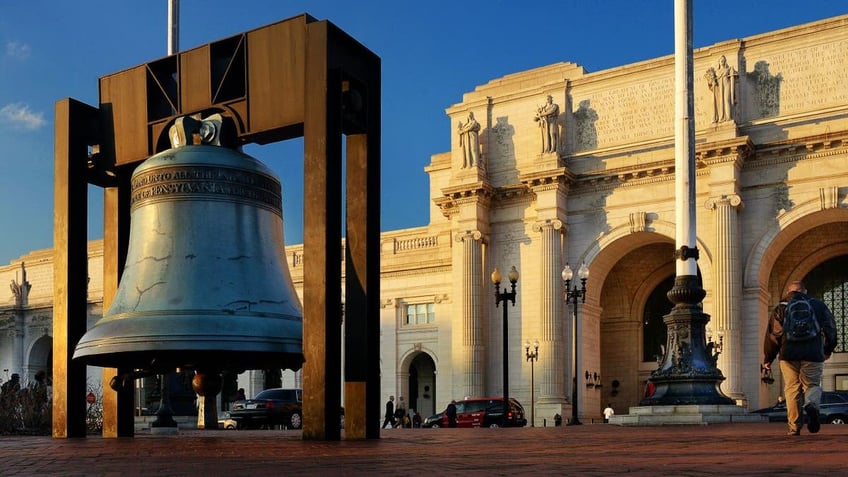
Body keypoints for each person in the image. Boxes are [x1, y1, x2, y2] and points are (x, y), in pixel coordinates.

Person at [763, 280, 837, 436]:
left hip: (788, 354)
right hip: (813, 353)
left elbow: (773, 335)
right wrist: (828, 349)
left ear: (789, 292)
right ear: (805, 291)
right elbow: (830, 327)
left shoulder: (781, 307)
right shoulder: (818, 305)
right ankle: (811, 405)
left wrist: (768, 359)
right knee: (812, 385)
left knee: (792, 389)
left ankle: (795, 426)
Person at [715, 55, 737, 122]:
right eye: (721, 60)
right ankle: (721, 117)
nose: (722, 61)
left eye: (723, 60)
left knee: (727, 100)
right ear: (719, 62)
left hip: (727, 84)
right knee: (721, 101)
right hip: (720, 86)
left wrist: (733, 71)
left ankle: (728, 117)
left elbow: (734, 75)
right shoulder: (717, 71)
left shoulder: (728, 69)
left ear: (725, 61)